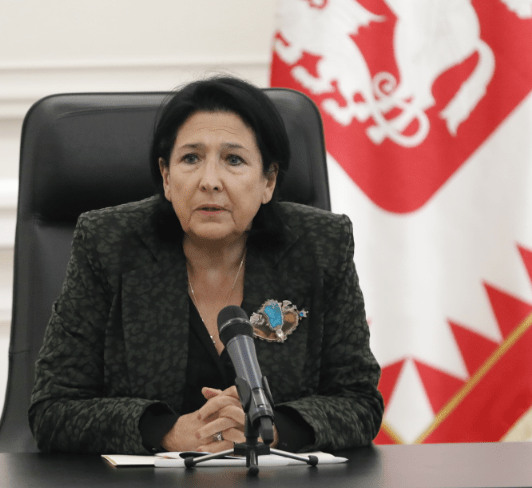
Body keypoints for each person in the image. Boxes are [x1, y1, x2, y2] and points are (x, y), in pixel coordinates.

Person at [29, 76, 384, 455]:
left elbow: (359, 402)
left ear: (268, 181)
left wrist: (273, 430)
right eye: (191, 158)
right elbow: (53, 408)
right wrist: (168, 432)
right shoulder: (108, 243)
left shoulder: (320, 245)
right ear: (166, 177)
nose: (210, 181)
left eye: (234, 160)